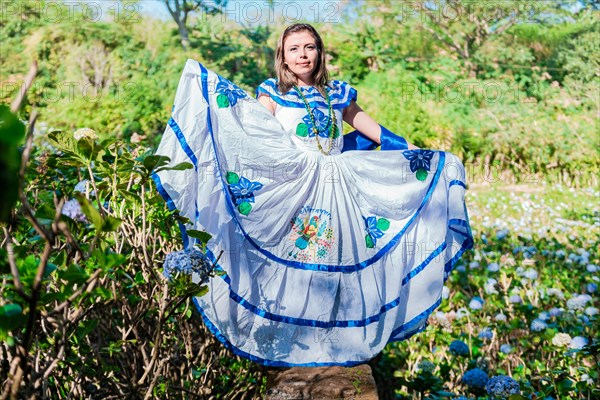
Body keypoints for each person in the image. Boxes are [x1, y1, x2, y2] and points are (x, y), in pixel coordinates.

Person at [153, 23, 473, 367]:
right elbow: (252, 134)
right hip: (296, 187)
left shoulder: (338, 93)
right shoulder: (273, 93)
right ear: (283, 57)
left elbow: (376, 132)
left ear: (320, 52)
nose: (302, 54)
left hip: (341, 186)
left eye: (309, 47)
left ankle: (337, 339)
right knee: (300, 261)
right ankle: (296, 340)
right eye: (294, 49)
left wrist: (420, 153)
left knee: (339, 261)